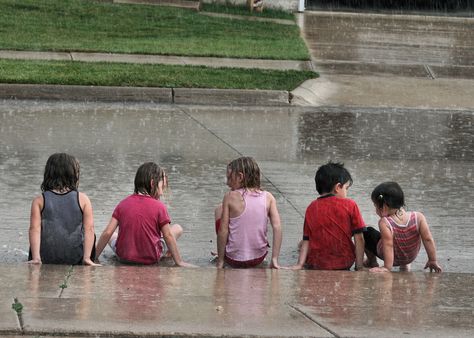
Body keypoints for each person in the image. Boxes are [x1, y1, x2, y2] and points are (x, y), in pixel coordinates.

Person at [95, 162, 193, 267]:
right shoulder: (159, 207)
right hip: (150, 257)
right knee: (177, 228)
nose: (161, 193)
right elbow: (168, 236)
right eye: (161, 186)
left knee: (112, 235)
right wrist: (179, 262)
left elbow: (107, 232)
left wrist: (94, 257)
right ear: (152, 183)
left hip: (124, 257)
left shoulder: (122, 204)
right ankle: (167, 255)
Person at [291, 161, 366, 270]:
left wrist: (299, 264)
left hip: (316, 263)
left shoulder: (311, 207)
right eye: (346, 188)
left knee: (300, 244)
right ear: (338, 187)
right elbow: (359, 238)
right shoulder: (350, 205)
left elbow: (306, 240)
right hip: (344, 262)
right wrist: (359, 266)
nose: (346, 192)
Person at [28, 153, 98, 265]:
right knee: (91, 233)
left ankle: (37, 258)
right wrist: (87, 258)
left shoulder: (39, 200)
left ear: (48, 174)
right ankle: (87, 258)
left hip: (46, 258)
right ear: (73, 175)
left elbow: (34, 229)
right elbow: (89, 229)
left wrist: (36, 258)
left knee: (39, 230)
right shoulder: (83, 199)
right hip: (75, 258)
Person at [215, 157, 282, 269]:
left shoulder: (229, 197)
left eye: (229, 178)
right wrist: (274, 259)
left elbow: (223, 230)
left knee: (218, 210)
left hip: (234, 260)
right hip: (258, 258)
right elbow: (277, 227)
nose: (227, 183)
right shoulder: (269, 197)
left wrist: (220, 261)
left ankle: (221, 253)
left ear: (240, 177)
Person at [364, 182, 442, 273]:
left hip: (392, 259)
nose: (376, 210)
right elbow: (428, 239)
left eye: (376, 206)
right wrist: (432, 260)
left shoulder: (384, 223)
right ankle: (404, 265)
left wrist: (387, 268)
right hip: (410, 257)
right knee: (402, 234)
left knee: (365, 231)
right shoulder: (418, 217)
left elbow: (388, 245)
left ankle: (372, 261)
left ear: (384, 207)